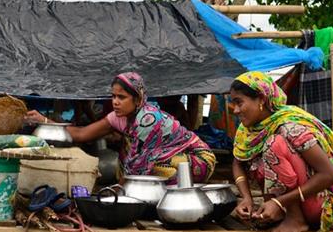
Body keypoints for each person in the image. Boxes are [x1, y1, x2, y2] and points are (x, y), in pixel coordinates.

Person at [229, 71, 333, 232]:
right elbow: (238, 162)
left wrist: (278, 201)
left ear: (261, 99)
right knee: (263, 155)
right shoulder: (247, 129)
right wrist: (247, 198)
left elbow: (331, 175)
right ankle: (282, 213)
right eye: (234, 103)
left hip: (318, 206)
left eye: (239, 103)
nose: (235, 110)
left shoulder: (291, 126)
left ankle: (296, 219)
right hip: (282, 204)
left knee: (274, 144)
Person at [25, 72, 216, 184]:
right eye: (113, 96)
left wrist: (124, 186)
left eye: (121, 97)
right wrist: (45, 121)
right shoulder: (119, 117)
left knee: (151, 163)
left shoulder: (149, 120)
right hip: (154, 160)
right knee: (127, 155)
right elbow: (82, 134)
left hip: (197, 159)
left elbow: (140, 163)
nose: (115, 102)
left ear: (138, 99)